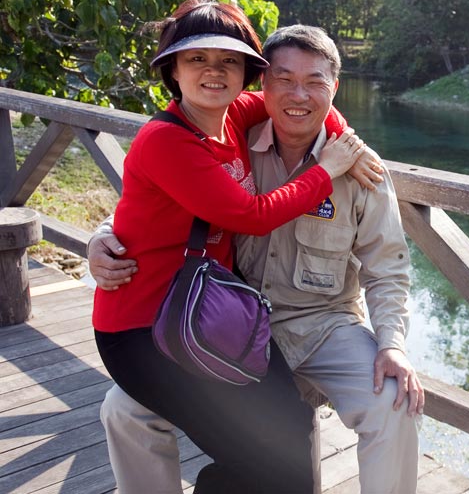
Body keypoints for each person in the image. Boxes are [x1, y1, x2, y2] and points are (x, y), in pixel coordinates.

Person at [90, 24, 425, 494]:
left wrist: (392, 344)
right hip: (233, 323)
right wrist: (104, 234)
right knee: (124, 409)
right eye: (284, 79)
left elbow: (387, 269)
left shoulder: (358, 168)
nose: (298, 95)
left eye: (314, 82)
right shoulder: (231, 132)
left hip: (323, 326)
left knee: (394, 402)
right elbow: (159, 199)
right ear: (262, 84)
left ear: (335, 87)